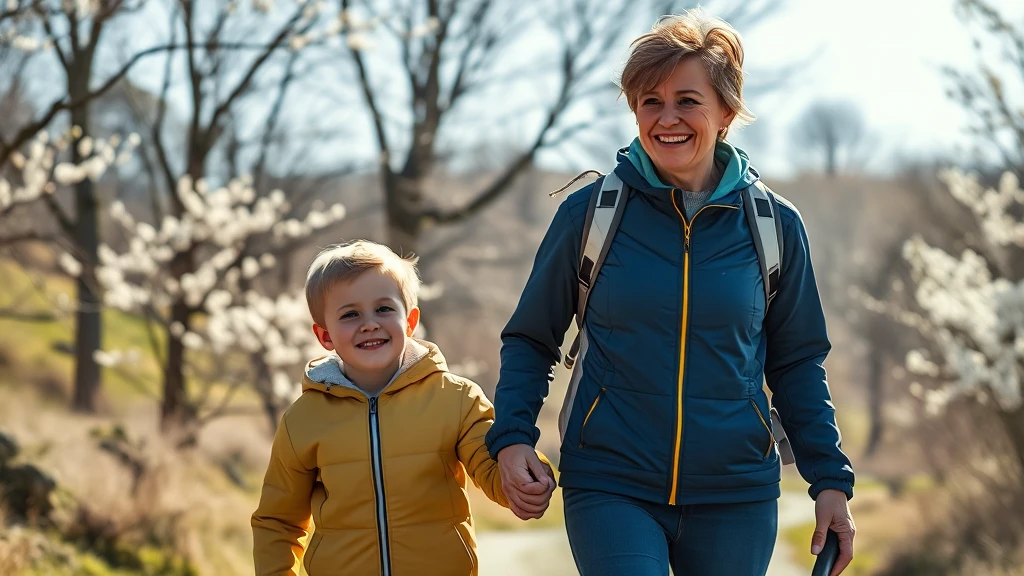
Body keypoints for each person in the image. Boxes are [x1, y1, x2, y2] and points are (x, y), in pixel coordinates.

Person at [485, 8, 856, 576]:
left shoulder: (773, 225)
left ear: (726, 112)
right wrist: (512, 439)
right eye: (649, 101)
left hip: (736, 492)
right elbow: (532, 337)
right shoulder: (591, 215)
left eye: (688, 100)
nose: (667, 118)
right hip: (611, 482)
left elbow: (799, 362)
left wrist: (829, 480)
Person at [251, 241, 555, 576]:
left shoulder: (456, 399)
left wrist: (525, 478)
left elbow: (495, 470)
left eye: (383, 309)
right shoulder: (303, 421)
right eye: (350, 314)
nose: (369, 323)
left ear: (410, 321)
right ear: (325, 336)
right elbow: (278, 523)